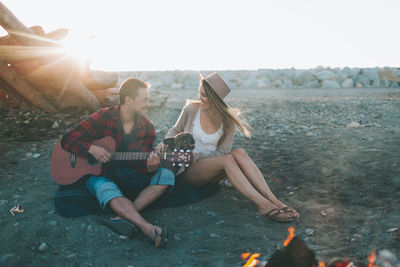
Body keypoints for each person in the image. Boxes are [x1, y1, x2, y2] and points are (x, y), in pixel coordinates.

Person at [156, 72, 299, 222]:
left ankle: (274, 200)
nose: (200, 98)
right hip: (188, 166)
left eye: (205, 96)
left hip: (211, 166)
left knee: (239, 153)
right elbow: (175, 130)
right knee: (228, 160)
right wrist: (165, 142)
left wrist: (202, 157)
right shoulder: (191, 110)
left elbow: (223, 151)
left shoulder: (227, 120)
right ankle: (263, 205)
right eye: (200, 93)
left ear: (216, 99)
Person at [61, 78, 172, 247]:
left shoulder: (147, 127)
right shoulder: (104, 116)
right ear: (129, 100)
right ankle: (148, 228)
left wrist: (151, 167)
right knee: (104, 187)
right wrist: (91, 148)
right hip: (100, 174)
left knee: (166, 174)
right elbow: (68, 140)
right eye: (145, 100)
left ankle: (121, 217)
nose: (148, 104)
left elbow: (141, 166)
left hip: (128, 175)